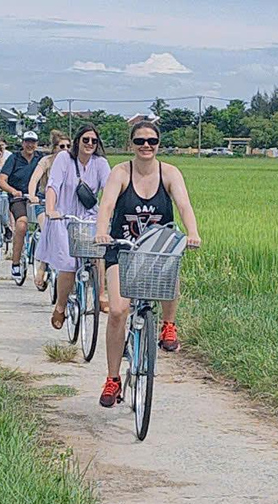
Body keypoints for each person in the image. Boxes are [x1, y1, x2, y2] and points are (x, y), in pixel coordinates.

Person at [94, 121, 201, 408]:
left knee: (172, 267)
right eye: (140, 141)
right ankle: (113, 378)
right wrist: (101, 231)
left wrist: (192, 232)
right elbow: (106, 206)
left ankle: (168, 324)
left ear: (158, 144)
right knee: (118, 310)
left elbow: (183, 205)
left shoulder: (169, 173)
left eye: (152, 141)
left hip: (156, 250)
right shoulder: (120, 173)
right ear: (131, 144)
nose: (146, 146)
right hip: (123, 249)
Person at [37, 124, 111, 330]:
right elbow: (53, 185)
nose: (89, 144)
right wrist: (51, 209)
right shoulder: (64, 159)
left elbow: (110, 189)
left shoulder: (101, 163)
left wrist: (110, 213)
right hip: (64, 218)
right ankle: (60, 307)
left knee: (99, 254)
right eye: (85, 140)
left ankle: (102, 294)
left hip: (90, 218)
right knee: (68, 265)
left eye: (93, 141)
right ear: (77, 141)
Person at [0, 130, 43, 280]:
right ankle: (15, 263)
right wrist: (13, 190)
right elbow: (1, 180)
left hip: (37, 198)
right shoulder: (14, 158)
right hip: (19, 198)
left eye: (33, 142)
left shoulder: (40, 159)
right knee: (21, 225)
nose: (30, 145)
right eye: (27, 142)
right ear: (23, 143)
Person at [28, 130, 71, 287]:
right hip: (44, 202)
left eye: (68, 146)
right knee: (48, 227)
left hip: (64, 205)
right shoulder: (46, 161)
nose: (65, 149)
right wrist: (33, 195)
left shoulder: (74, 163)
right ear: (54, 148)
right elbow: (34, 179)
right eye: (61, 146)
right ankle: (42, 266)